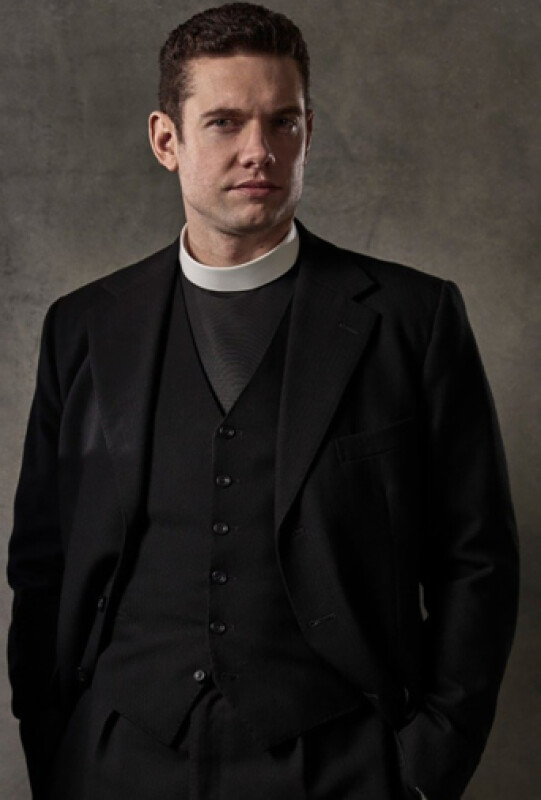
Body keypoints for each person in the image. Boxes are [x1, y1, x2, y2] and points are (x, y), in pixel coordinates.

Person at [7, 4, 519, 800]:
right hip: (116, 759)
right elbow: (42, 561)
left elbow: (475, 559)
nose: (260, 150)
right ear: (166, 140)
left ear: (308, 133)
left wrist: (427, 765)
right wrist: (55, 746)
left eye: (284, 122)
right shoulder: (82, 326)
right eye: (224, 122)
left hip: (340, 762)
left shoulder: (411, 319)